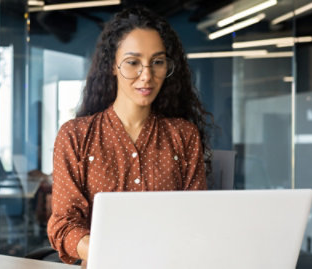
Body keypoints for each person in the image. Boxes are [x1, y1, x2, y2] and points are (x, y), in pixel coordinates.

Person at [47, 6, 212, 264]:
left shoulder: (184, 135)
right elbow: (64, 224)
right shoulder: (75, 136)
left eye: (157, 62)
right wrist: (110, 251)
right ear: (112, 65)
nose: (146, 75)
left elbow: (197, 220)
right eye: (133, 62)